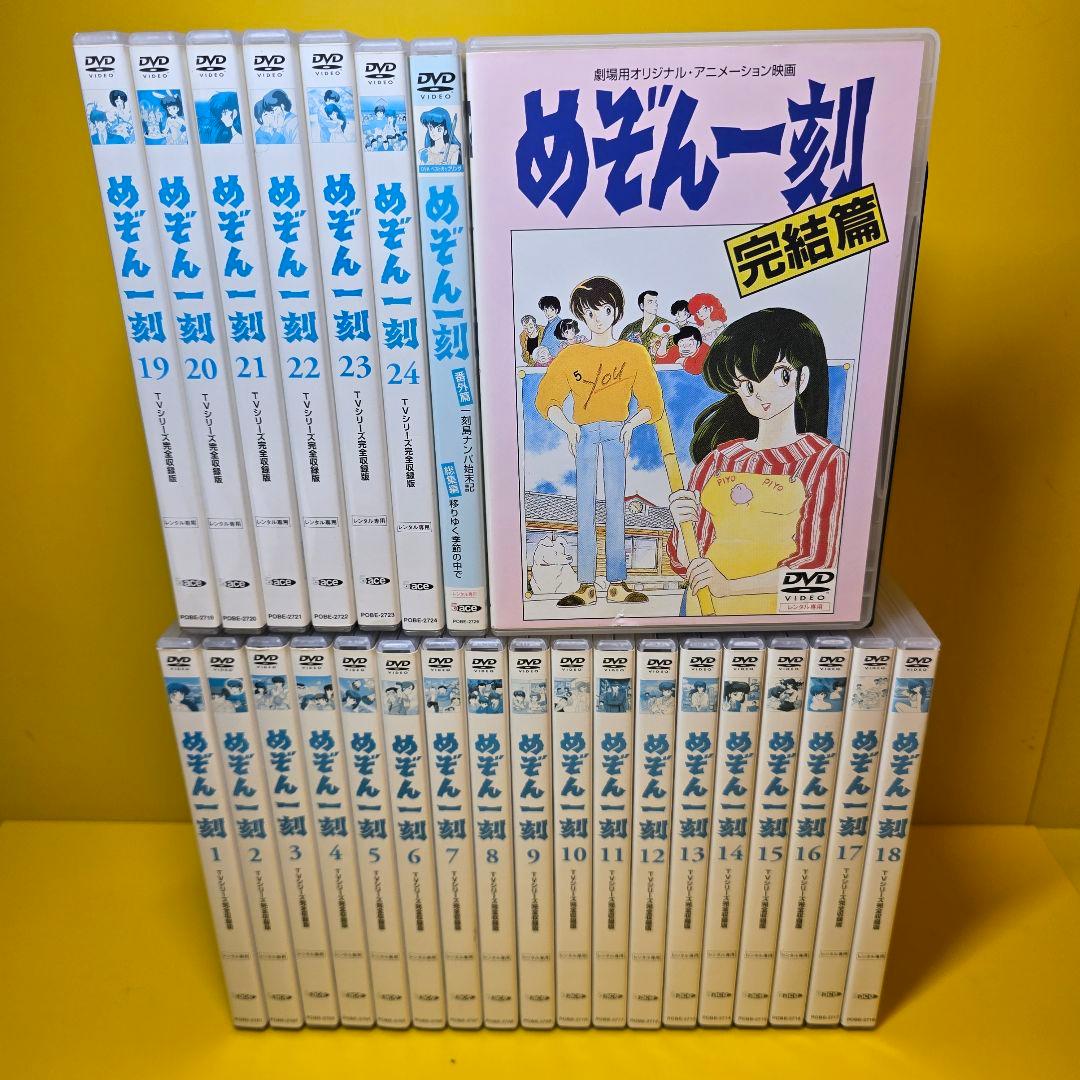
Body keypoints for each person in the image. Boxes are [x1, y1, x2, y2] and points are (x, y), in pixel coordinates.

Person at [667, 308, 848, 616]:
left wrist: (731, 587)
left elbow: (819, 570)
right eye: (748, 384)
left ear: (802, 378)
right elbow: (686, 562)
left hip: (776, 620)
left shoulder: (827, 461)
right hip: (702, 613)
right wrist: (682, 522)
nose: (762, 394)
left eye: (780, 375)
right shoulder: (716, 461)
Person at [535, 276, 664, 606]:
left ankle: (617, 583)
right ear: (581, 315)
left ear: (616, 311)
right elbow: (546, 399)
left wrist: (632, 424)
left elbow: (653, 403)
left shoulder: (634, 353)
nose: (598, 318)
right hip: (584, 432)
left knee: (616, 506)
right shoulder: (571, 355)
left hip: (618, 430)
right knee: (585, 505)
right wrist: (567, 426)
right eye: (590, 313)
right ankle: (586, 585)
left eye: (605, 310)